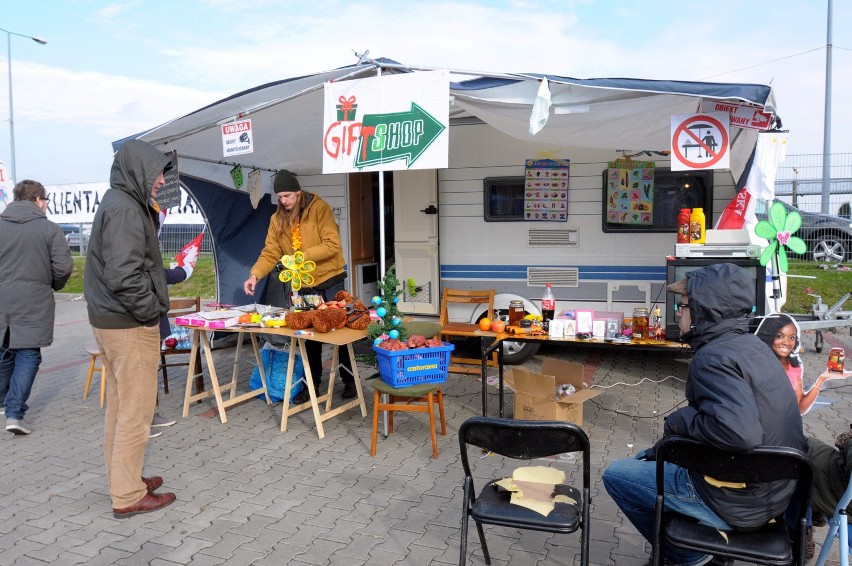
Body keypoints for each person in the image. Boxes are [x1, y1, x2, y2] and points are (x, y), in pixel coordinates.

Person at [602, 263, 807, 566]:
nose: (678, 311)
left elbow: (740, 434)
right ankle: (698, 541)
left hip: (738, 498)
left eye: (683, 305)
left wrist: (678, 421)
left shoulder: (713, 357)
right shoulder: (752, 345)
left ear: (702, 310)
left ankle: (687, 555)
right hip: (773, 490)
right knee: (650, 457)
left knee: (617, 475)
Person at [84, 139, 177, 517]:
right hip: (128, 323)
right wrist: (150, 312)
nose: (160, 181)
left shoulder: (122, 202)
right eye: (156, 173)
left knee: (120, 408)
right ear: (139, 171)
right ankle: (126, 495)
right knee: (136, 414)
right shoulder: (124, 209)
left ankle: (125, 479)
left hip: (112, 320)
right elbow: (124, 274)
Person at [243, 169, 356, 404]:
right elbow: (271, 252)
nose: (283, 201)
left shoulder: (319, 209)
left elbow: (332, 244)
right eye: (279, 197)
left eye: (287, 196)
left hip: (330, 279)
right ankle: (311, 384)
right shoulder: (276, 219)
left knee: (341, 333)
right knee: (309, 336)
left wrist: (301, 256)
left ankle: (350, 380)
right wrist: (255, 274)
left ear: (298, 192)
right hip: (304, 285)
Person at [0, 180, 73, 435]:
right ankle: (14, 413)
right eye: (46, 201)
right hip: (34, 301)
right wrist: (50, 284)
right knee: (28, 354)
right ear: (38, 200)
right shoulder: (50, 229)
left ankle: (3, 401)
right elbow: (63, 268)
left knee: (5, 350)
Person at [755, 313, 846, 415]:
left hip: (784, 427)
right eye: (780, 336)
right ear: (769, 336)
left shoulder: (794, 367)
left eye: (792, 338)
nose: (787, 342)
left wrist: (822, 379)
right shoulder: (755, 364)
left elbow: (799, 409)